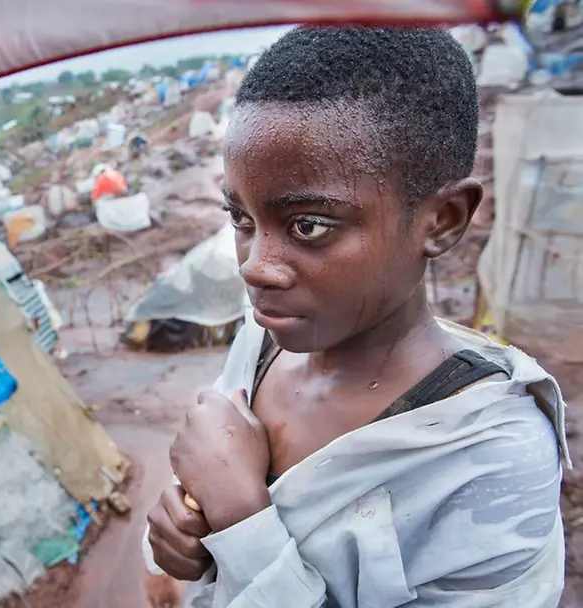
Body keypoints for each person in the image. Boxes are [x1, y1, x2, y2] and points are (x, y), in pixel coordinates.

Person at [144, 26, 567, 607]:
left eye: (308, 225)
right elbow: (206, 489)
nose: (255, 267)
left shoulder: (490, 455)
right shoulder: (261, 341)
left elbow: (231, 494)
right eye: (240, 218)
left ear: (440, 220)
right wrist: (182, 528)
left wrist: (242, 516)